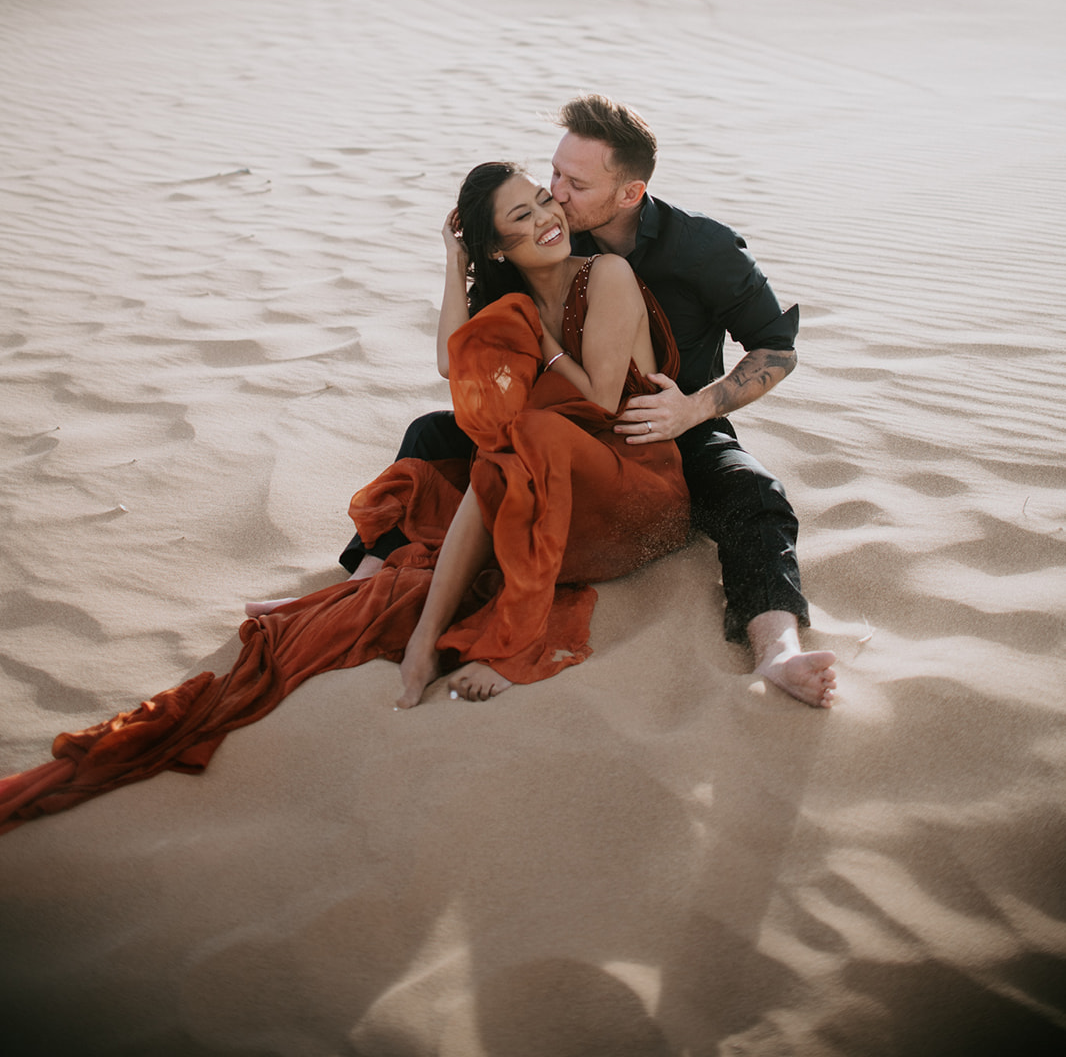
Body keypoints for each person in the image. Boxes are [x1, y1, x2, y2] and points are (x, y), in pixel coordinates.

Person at [0, 161, 689, 834]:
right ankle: (386, 610)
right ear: (497, 247)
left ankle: (492, 642)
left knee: (516, 438)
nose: (547, 216)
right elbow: (456, 361)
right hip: (555, 474)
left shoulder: (607, 274)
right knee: (449, 466)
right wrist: (453, 261)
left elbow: (601, 398)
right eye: (523, 214)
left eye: (544, 199)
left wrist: (537, 346)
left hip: (633, 483)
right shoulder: (512, 301)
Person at [342, 97, 836, 709]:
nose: (557, 195)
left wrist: (697, 409)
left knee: (753, 495)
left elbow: (777, 349)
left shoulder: (701, 248)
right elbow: (460, 353)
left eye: (575, 184)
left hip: (667, 425)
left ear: (628, 193)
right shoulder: (536, 243)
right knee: (430, 437)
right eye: (553, 174)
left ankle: (777, 652)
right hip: (561, 424)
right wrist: (458, 258)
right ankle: (353, 594)